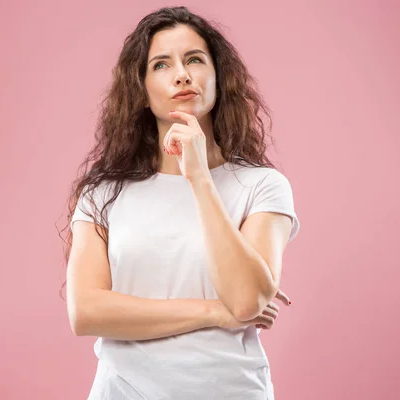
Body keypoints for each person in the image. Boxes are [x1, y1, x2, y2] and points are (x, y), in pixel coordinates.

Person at [61, 6, 301, 399]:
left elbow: (245, 299)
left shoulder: (262, 185)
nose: (182, 74)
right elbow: (86, 311)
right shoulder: (103, 193)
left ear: (218, 78)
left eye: (195, 59)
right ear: (140, 89)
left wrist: (200, 179)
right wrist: (214, 312)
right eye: (161, 64)